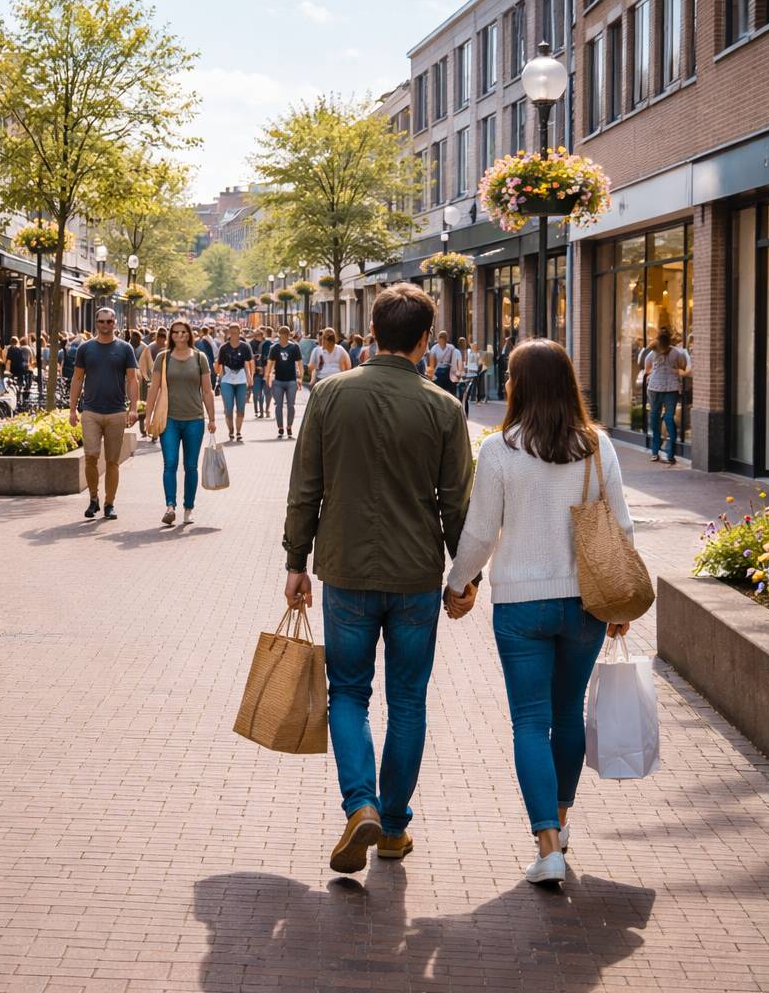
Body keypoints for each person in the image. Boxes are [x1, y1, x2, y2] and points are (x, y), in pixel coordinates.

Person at [281, 282, 473, 874]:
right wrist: (463, 577)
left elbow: (305, 484)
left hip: (346, 567)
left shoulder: (329, 394)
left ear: (372, 329)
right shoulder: (444, 407)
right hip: (416, 572)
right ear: (424, 340)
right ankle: (392, 827)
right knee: (408, 698)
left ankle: (359, 803)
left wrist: (296, 560)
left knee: (349, 692)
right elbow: (456, 504)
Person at [444, 338, 634, 886]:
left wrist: (458, 584)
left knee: (530, 720)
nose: (504, 383)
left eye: (509, 375)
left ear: (520, 385)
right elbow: (620, 526)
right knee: (567, 714)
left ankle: (547, 843)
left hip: (521, 605)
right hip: (586, 601)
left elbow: (481, 532)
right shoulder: (598, 446)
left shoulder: (500, 450)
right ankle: (563, 821)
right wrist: (620, 601)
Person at [67, 309, 139, 521]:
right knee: (90, 457)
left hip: (116, 411)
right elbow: (77, 379)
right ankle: (93, 499)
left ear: (115, 323)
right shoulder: (85, 348)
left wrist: (133, 407)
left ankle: (109, 503)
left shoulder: (125, 348)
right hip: (90, 411)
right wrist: (72, 409)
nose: (105, 325)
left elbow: (132, 379)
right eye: (101, 321)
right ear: (96, 323)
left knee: (112, 461)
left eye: (109, 321)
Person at [147, 320, 217, 526]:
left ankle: (189, 507)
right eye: (175, 332)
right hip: (168, 419)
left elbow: (207, 390)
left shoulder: (200, 358)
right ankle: (170, 506)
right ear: (171, 335)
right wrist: (148, 416)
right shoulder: (163, 357)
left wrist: (211, 418)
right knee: (170, 463)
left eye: (183, 332)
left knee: (191, 465)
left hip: (194, 419)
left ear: (189, 334)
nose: (179, 336)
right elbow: (154, 389)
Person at [638, 326, 690, 465]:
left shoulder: (652, 353)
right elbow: (682, 367)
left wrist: (655, 372)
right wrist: (672, 371)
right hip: (670, 389)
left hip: (656, 388)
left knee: (656, 418)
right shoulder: (677, 353)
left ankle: (657, 453)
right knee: (667, 418)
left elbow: (647, 369)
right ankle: (669, 454)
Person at [214, 323, 254, 443]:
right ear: (229, 333)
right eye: (232, 332)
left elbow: (248, 364)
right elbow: (219, 365)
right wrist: (221, 378)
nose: (234, 334)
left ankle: (238, 431)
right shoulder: (224, 348)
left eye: (237, 332)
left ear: (240, 332)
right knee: (229, 408)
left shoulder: (245, 347)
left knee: (241, 408)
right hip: (227, 380)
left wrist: (249, 377)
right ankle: (231, 430)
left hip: (241, 380)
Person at [265, 326, 304, 439]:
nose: (282, 338)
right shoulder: (274, 348)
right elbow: (270, 363)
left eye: (284, 336)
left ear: (288, 336)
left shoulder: (294, 347)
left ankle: (289, 426)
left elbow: (300, 362)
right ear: (279, 335)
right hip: (278, 381)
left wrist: (300, 377)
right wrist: (268, 376)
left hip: (291, 380)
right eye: (281, 336)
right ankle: (280, 427)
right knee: (278, 405)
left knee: (291, 405)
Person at [250, 328, 273, 420]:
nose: (258, 337)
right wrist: (255, 368)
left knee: (267, 393)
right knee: (258, 393)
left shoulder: (267, 344)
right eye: (257, 335)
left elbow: (270, 359)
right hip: (256, 373)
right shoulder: (251, 345)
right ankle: (260, 411)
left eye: (260, 335)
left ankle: (265, 410)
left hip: (266, 372)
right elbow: (249, 359)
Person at [428, 330, 460, 396]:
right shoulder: (434, 348)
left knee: (450, 391)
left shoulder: (451, 348)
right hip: (439, 372)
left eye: (443, 338)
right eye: (440, 338)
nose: (441, 340)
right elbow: (432, 364)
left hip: (448, 371)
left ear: (446, 339)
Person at [6, 335, 33, 404]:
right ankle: (19, 399)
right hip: (20, 370)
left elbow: (9, 361)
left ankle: (15, 398)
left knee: (12, 384)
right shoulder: (19, 349)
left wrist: (7, 371)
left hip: (13, 370)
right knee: (19, 384)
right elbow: (22, 360)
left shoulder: (10, 349)